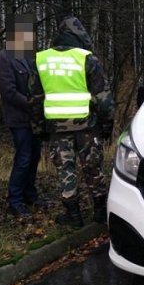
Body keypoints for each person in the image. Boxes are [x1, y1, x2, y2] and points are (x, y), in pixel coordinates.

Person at [30, 16, 113, 227]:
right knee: (92, 168)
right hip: (87, 126)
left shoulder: (41, 60)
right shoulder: (87, 59)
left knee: (65, 171)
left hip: (57, 129)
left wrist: (38, 129)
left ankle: (73, 215)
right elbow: (103, 98)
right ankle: (100, 212)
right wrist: (106, 126)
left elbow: (35, 100)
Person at [0, 13, 45, 217]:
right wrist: (32, 104)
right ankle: (14, 200)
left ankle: (29, 194)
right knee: (23, 158)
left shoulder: (28, 57)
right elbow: (9, 93)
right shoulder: (3, 59)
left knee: (34, 157)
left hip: (34, 119)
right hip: (19, 119)